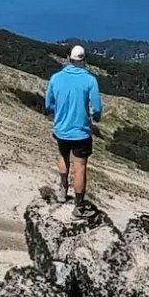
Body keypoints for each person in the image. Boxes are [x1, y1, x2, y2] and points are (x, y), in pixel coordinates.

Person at [45, 44, 103, 213]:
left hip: (61, 129)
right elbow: (97, 108)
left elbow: (48, 104)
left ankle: (63, 191)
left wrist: (57, 113)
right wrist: (96, 117)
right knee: (80, 166)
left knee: (63, 156)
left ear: (68, 58)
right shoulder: (90, 80)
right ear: (84, 60)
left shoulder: (56, 78)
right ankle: (78, 206)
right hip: (81, 132)